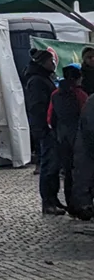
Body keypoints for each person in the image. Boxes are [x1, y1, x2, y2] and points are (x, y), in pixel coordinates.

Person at [47, 65, 87, 216]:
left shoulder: (55, 94)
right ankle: (81, 204)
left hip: (61, 137)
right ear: (77, 78)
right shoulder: (80, 95)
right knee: (81, 171)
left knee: (68, 172)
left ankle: (70, 203)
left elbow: (50, 118)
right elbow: (86, 116)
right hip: (78, 137)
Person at [24, 48, 58, 171]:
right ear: (42, 63)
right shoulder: (37, 80)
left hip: (47, 124)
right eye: (50, 61)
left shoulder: (44, 78)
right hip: (44, 125)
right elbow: (38, 105)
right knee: (48, 159)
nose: (53, 64)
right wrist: (46, 124)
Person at [70, 93, 94, 219]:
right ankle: (84, 206)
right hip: (87, 150)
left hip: (85, 150)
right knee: (85, 175)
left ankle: (83, 206)